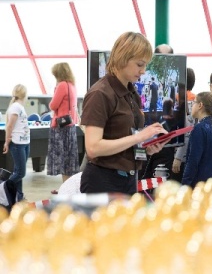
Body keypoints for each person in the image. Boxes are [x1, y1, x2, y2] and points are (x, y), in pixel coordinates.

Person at [80, 31, 169, 195]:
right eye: (140, 64)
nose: (143, 71)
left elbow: (127, 139)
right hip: (103, 182)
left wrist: (147, 147)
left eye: (145, 66)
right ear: (122, 58)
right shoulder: (100, 94)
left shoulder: (132, 93)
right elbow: (93, 148)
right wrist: (139, 137)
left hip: (129, 179)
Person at [47, 62, 80, 193]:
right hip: (70, 125)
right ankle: (66, 188)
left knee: (63, 160)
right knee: (69, 160)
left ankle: (66, 190)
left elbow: (53, 105)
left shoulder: (61, 85)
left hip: (60, 126)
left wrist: (55, 89)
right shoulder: (72, 85)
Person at [182, 92, 212, 188]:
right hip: (210, 182)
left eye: (193, 103)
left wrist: (184, 186)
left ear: (200, 105)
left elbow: (193, 162)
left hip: (198, 184)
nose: (191, 106)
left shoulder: (199, 128)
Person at [3, 84, 30, 201]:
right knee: (20, 173)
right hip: (17, 144)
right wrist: (6, 142)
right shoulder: (15, 107)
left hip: (24, 143)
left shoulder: (20, 107)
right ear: (24, 94)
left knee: (18, 171)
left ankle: (19, 196)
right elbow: (9, 126)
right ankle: (2, 188)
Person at [171, 67, 196, 182]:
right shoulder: (196, 101)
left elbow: (186, 131)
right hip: (190, 154)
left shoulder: (182, 102)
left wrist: (178, 157)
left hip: (181, 156)